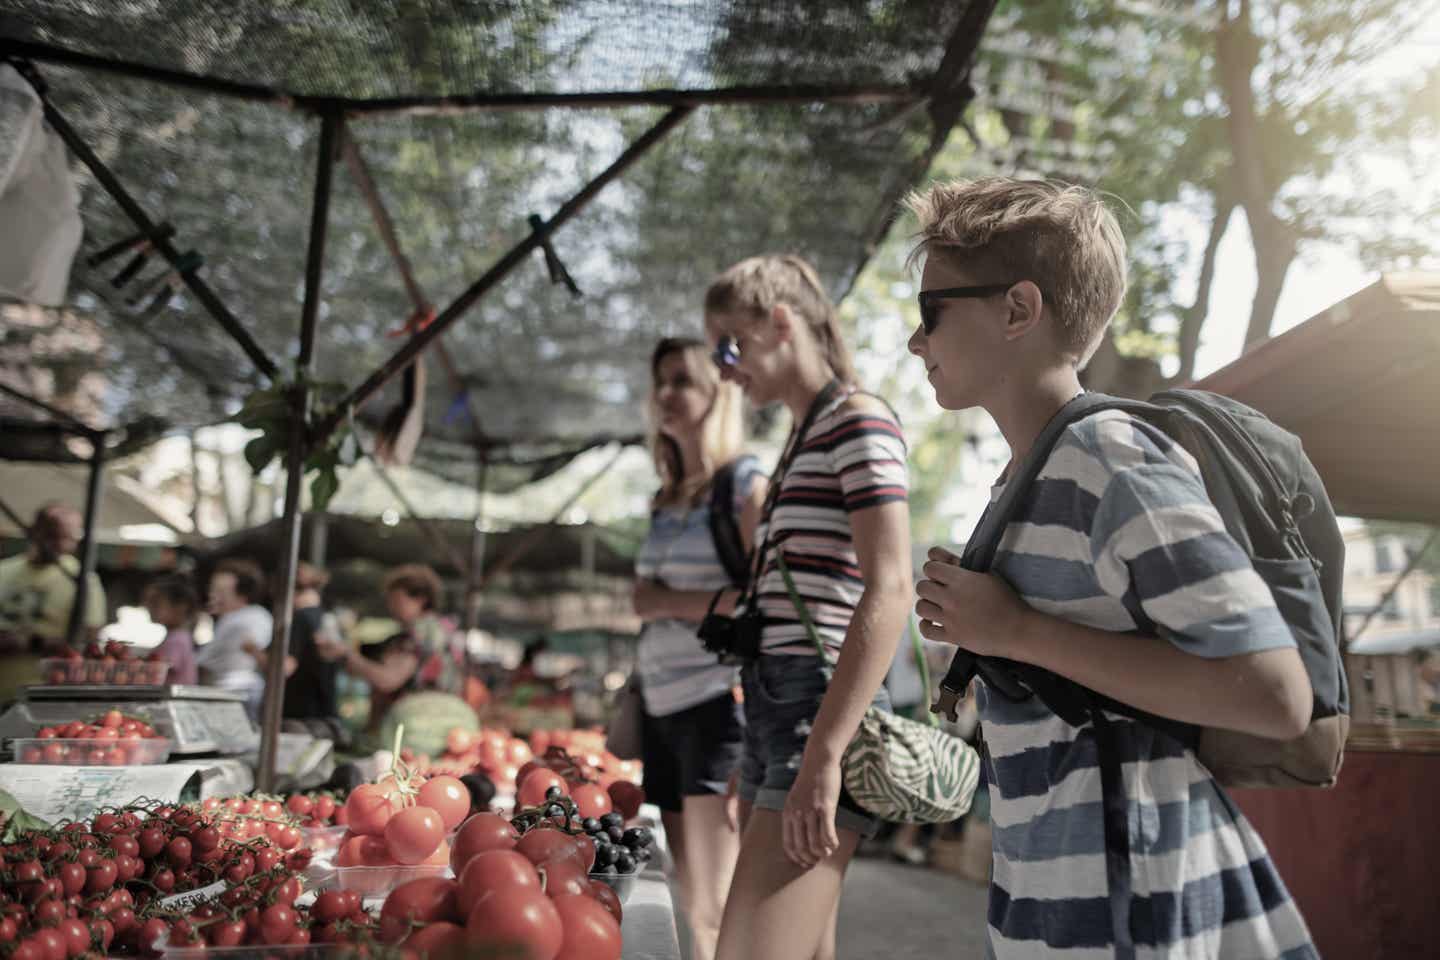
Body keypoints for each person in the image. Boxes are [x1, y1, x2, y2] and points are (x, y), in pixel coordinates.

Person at [905, 177, 1316, 958]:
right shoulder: (1032, 476)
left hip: (1137, 902)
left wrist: (1016, 630)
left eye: (932, 313)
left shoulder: (1108, 457)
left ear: (1018, 310)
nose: (916, 341)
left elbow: (1275, 694)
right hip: (1066, 904)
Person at [704, 255, 913, 960]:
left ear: (781, 322)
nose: (725, 368)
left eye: (729, 344)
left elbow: (891, 587)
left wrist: (822, 754)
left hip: (817, 713)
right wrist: (758, 749)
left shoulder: (858, 421)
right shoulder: (803, 437)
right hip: (777, 711)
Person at [631, 336, 766, 960]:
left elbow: (768, 602)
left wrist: (662, 602)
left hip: (716, 703)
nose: (667, 393)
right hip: (661, 708)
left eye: (683, 380)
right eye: (662, 380)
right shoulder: (664, 497)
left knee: (715, 901)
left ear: (719, 394)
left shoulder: (742, 485)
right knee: (689, 893)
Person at [317, 564, 463, 730]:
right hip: (440, 725)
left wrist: (345, 653)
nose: (391, 607)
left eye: (396, 600)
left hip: (418, 727)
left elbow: (387, 679)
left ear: (421, 599)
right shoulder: (443, 629)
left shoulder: (421, 634)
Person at [0, 503, 107, 702]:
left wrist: (32, 642)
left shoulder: (82, 581)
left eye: (68, 538)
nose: (60, 544)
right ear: (33, 532)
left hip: (45, 695)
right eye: (52, 536)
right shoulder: (4, 571)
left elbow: (90, 642)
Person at [198, 557, 273, 722]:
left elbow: (253, 643)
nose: (213, 596)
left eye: (221, 591)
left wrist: (252, 647)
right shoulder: (227, 619)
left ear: (242, 594)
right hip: (221, 693)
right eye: (213, 590)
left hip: (237, 694)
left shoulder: (253, 616)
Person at [141, 573, 200, 685]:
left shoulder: (178, 640)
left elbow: (164, 668)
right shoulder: (175, 637)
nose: (149, 607)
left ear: (181, 607)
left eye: (156, 603)